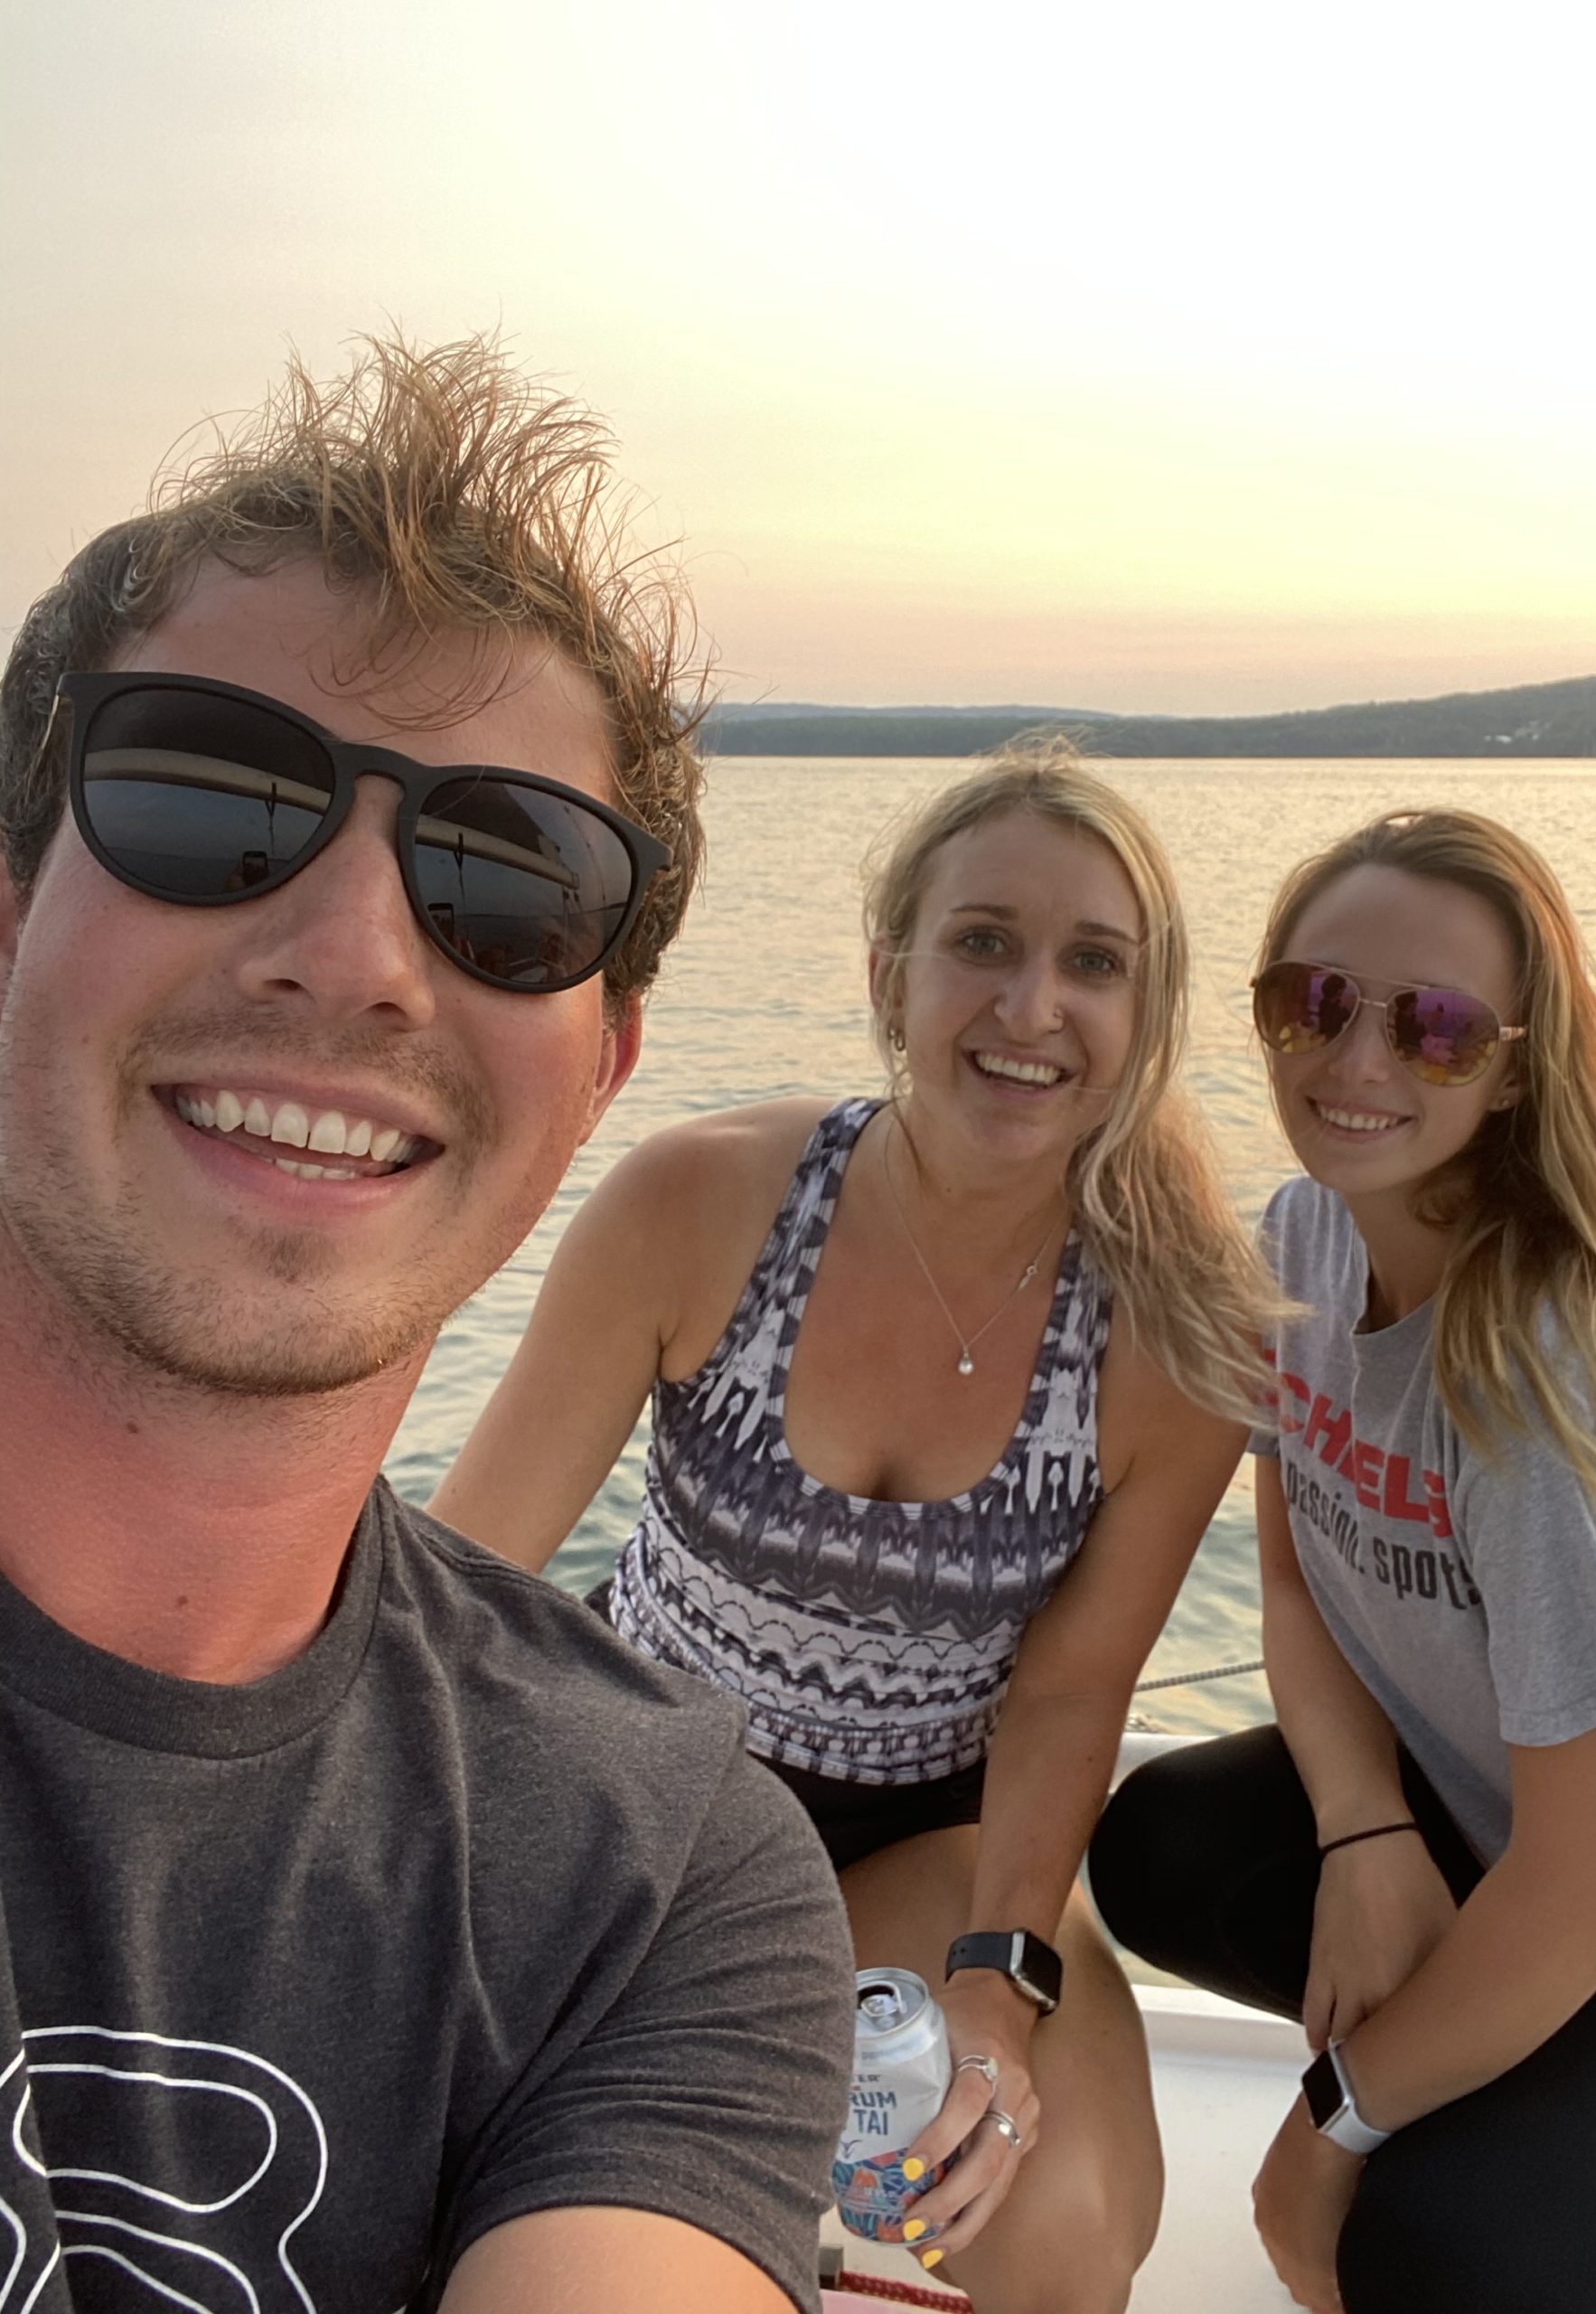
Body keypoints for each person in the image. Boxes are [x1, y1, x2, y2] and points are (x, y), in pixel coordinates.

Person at [0, 335, 854, 2313]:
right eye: (212, 796)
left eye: (509, 879)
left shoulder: (657, 1877)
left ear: (601, 1062)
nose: (359, 958)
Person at [432, 741, 1272, 2313]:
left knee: (1067, 2218)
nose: (1032, 1008)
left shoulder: (1173, 1334)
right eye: (983, 943)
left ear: (1145, 1020)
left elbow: (1073, 1693)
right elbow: (470, 1580)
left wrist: (1002, 1987)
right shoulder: (696, 1204)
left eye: (1094, 963)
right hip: (647, 1793)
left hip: (931, 1836)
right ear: (890, 969)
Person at [1089, 807, 1596, 2314]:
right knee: (1162, 1849)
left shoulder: (1543, 1389)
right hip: (1516, 1834)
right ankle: (1593, 2159)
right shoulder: (1306, 1243)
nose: (1354, 1062)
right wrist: (1367, 1833)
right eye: (1310, 1002)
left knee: (1423, 2250)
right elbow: (1302, 1569)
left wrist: (1338, 2124)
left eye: (1434, 1028)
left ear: (1513, 1067)